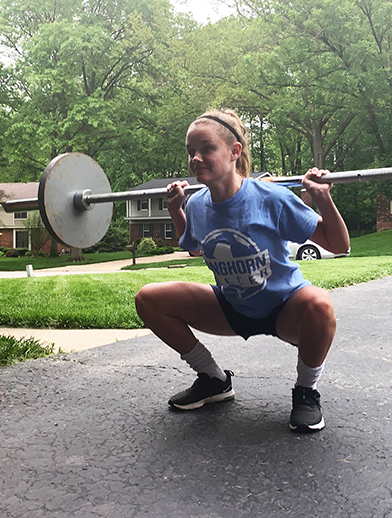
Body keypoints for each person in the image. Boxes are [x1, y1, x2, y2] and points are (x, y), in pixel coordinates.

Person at [134, 109, 350, 433]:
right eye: (191, 151)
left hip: (284, 308)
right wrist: (175, 210)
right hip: (232, 307)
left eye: (206, 148)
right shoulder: (197, 204)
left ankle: (306, 391)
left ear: (235, 152)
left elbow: (338, 244)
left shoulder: (271, 198)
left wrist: (323, 200)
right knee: (149, 299)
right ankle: (213, 380)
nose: (196, 158)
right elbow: (194, 245)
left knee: (320, 304)